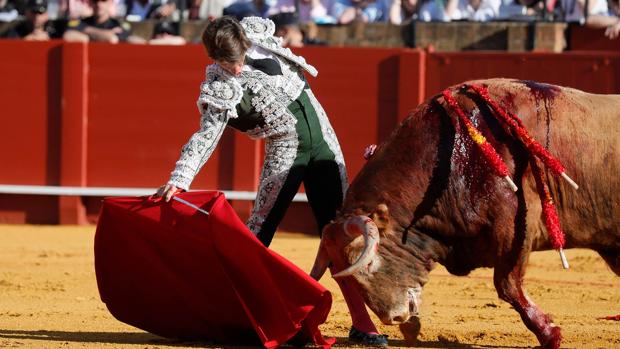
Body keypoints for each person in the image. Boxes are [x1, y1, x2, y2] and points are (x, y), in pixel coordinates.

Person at [155, 15, 388, 347]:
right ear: (213, 58)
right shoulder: (219, 86)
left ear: (245, 43)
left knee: (338, 233)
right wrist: (180, 177)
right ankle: (233, 315)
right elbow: (205, 137)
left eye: (235, 59)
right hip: (286, 151)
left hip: (324, 139)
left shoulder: (258, 37)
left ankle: (362, 323)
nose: (234, 68)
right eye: (225, 62)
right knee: (258, 235)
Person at [63, 0, 144, 43]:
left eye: (103, 0)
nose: (99, 4)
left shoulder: (119, 24)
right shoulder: (80, 22)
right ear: (90, 3)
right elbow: (68, 36)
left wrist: (86, 34)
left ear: (110, 2)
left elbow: (112, 39)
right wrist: (104, 35)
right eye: (95, 1)